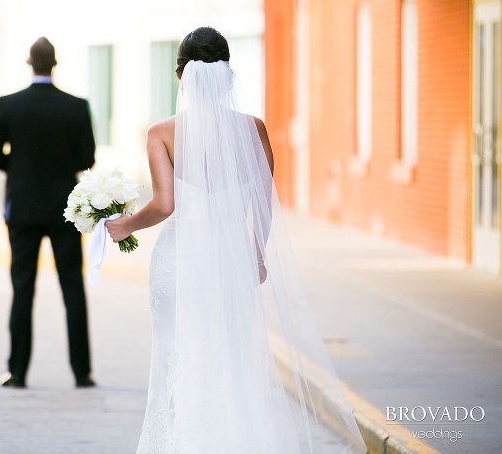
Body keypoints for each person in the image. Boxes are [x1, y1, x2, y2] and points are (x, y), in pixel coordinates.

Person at [106, 27, 366, 453]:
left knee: (173, 356)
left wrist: (125, 225)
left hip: (179, 263)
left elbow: (165, 205)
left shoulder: (162, 134)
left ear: (181, 76)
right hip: (232, 264)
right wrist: (258, 258)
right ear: (227, 74)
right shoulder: (255, 131)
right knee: (229, 360)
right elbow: (262, 207)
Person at [0, 37, 97, 389]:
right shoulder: (77, 106)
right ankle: (82, 373)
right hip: (66, 208)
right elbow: (85, 159)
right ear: (55, 64)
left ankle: (17, 373)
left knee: (22, 289)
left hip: (23, 209)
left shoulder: (9, 104)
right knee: (72, 289)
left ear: (29, 62)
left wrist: (18, 167)